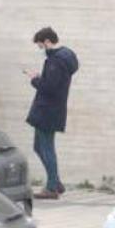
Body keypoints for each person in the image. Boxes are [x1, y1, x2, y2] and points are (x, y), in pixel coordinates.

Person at [25, 27, 79, 201]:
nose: (42, 49)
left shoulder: (56, 61)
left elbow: (50, 87)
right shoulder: (64, 58)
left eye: (41, 46)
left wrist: (34, 79)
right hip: (51, 109)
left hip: (47, 110)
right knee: (39, 146)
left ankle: (52, 187)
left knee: (46, 147)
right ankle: (55, 181)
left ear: (48, 41)